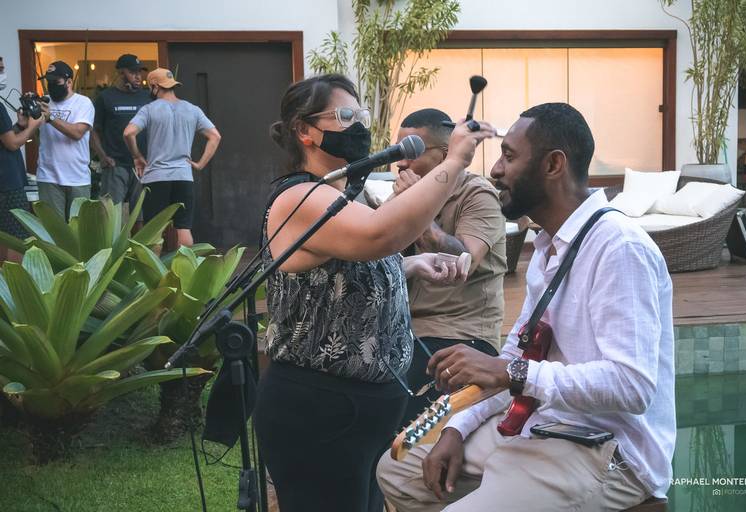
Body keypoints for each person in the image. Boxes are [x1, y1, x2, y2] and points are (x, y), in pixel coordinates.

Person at [377, 103, 676, 511]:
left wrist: (510, 371)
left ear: (554, 165)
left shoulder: (618, 247)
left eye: (509, 156)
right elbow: (519, 357)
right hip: (538, 427)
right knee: (398, 473)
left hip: (606, 452)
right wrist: (457, 429)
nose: (496, 169)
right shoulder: (546, 248)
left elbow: (632, 385)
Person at [254, 73, 494, 512]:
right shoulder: (297, 197)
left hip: (363, 408)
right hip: (318, 410)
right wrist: (454, 161)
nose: (359, 125)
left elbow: (345, 272)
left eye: (360, 114)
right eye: (345, 116)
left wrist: (409, 263)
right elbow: (377, 236)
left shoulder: (345, 194)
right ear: (304, 131)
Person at [391, 108, 507, 425]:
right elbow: (376, 257)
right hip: (406, 332)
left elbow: (462, 261)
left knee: (398, 413)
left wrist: (417, 209)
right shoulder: (405, 196)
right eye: (399, 152)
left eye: (411, 152)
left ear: (445, 155)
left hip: (461, 334)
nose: (400, 162)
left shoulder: (478, 194)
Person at [123, 68, 221, 248]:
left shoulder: (149, 109)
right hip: (183, 176)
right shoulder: (192, 110)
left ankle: (154, 275)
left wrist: (137, 156)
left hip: (156, 178)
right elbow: (215, 136)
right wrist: (200, 164)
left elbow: (129, 133)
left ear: (154, 86)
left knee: (154, 231)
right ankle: (185, 274)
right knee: (183, 228)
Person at [91, 54, 151, 217]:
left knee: (140, 216)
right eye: (133, 72)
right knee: (110, 216)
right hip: (115, 165)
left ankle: (138, 244)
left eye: (140, 72)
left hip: (142, 166)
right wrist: (102, 156)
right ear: (120, 73)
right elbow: (94, 130)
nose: (138, 77)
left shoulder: (147, 97)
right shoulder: (105, 98)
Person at [35, 61, 95, 219]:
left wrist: (51, 117)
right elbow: (31, 133)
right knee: (53, 234)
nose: (51, 85)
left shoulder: (83, 103)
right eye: (49, 81)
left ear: (69, 82)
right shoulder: (43, 102)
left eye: (56, 81)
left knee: (79, 233)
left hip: (77, 178)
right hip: (48, 177)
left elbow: (77, 133)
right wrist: (28, 111)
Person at [0, 56, 44, 262]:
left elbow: (6, 138)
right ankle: (14, 287)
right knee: (18, 238)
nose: (3, 74)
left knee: (3, 235)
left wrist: (19, 126)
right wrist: (33, 126)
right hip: (8, 183)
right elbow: (12, 144)